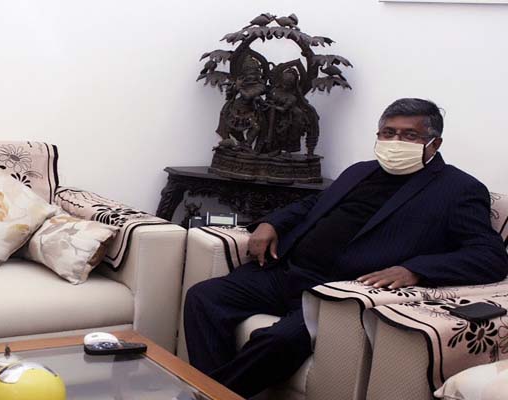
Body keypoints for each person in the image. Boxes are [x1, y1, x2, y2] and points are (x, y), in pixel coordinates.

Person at [183, 98, 508, 397]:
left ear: (434, 143)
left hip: (338, 294)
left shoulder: (459, 189)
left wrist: (414, 270)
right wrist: (271, 223)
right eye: (388, 133)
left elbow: (489, 256)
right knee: (204, 297)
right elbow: (313, 205)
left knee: (277, 341)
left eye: (409, 136)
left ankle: (204, 394)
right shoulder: (360, 171)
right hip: (288, 272)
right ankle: (214, 390)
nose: (395, 142)